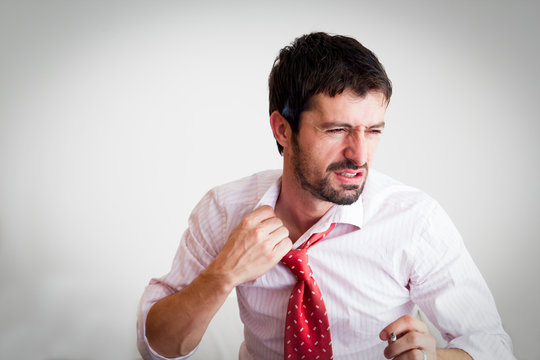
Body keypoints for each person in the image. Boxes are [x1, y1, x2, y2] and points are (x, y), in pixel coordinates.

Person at [137, 32, 515, 360]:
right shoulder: (224, 210)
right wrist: (222, 275)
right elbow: (159, 348)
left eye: (373, 131)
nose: (360, 155)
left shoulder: (414, 220)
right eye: (337, 130)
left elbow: (493, 346)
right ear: (282, 130)